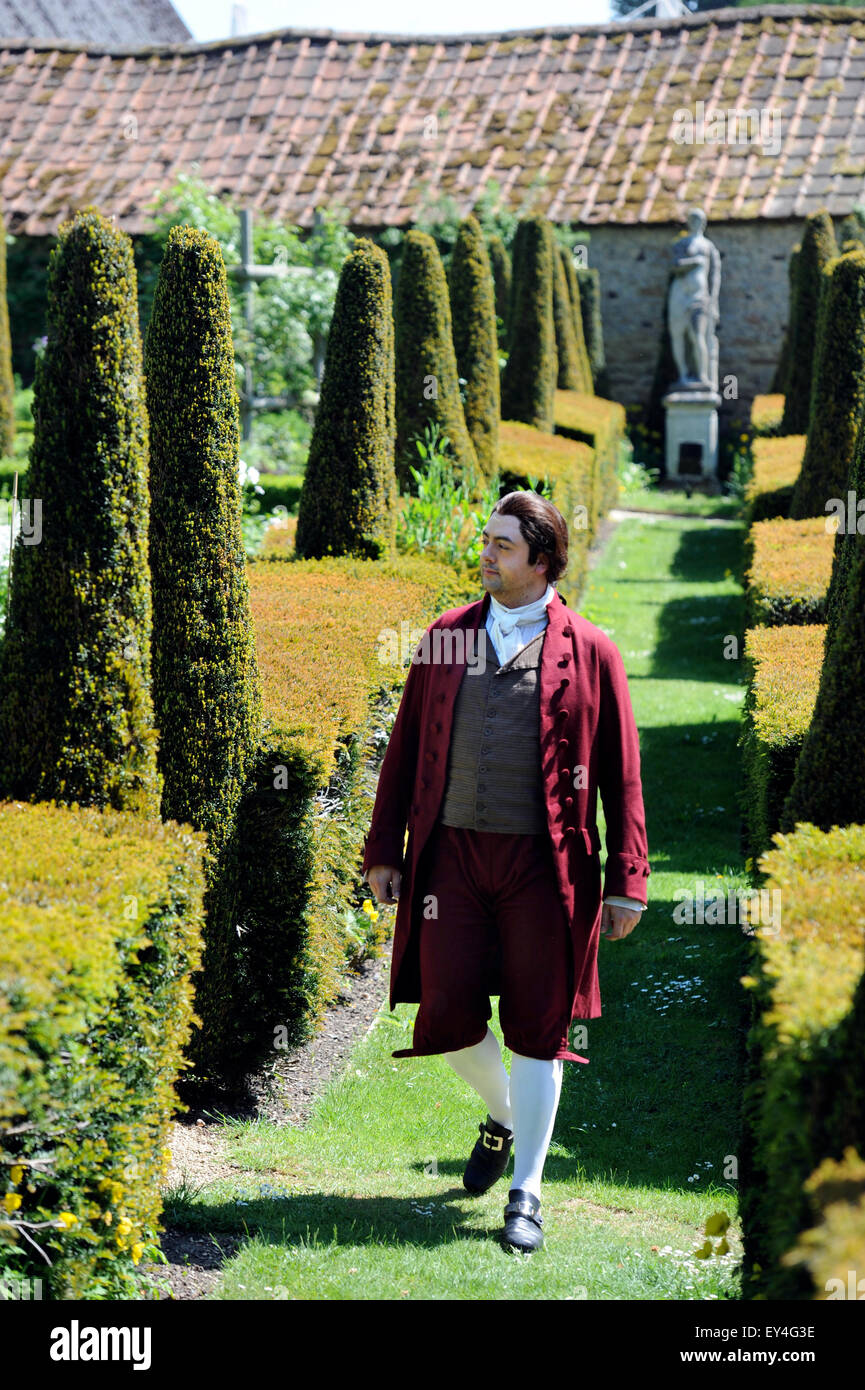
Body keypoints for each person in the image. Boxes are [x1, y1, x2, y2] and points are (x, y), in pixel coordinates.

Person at [362, 490, 650, 1252]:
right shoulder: (445, 638)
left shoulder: (592, 652)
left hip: (543, 866)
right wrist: (384, 849)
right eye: (486, 541)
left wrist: (628, 880)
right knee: (446, 1016)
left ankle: (526, 1193)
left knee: (538, 1028)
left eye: (502, 546)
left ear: (541, 561)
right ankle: (506, 1117)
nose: (485, 555)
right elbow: (403, 752)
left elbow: (621, 775)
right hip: (451, 857)